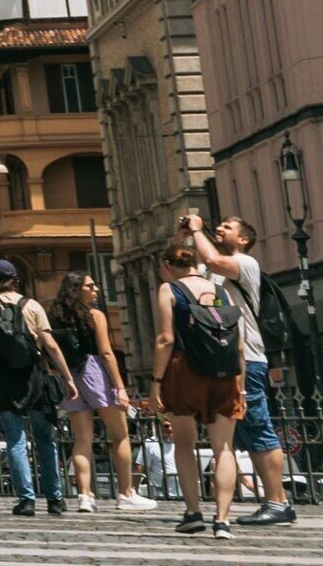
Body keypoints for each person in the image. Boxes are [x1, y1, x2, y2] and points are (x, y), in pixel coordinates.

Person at [149, 227, 246, 537]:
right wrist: (240, 385)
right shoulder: (222, 291)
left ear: (167, 266)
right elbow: (238, 344)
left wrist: (155, 382)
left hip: (184, 370)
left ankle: (193, 513)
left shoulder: (169, 290)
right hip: (224, 373)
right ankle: (223, 520)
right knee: (224, 448)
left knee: (184, 444)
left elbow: (165, 339)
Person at [206, 216, 298, 527]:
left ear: (244, 239)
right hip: (223, 357)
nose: (219, 228)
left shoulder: (244, 262)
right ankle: (267, 500)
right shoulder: (215, 268)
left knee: (258, 427)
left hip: (250, 359)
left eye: (227, 227)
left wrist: (196, 231)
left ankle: (278, 501)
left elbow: (212, 260)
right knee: (241, 432)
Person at [51, 266, 151, 511]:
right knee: (120, 435)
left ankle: (85, 496)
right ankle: (125, 494)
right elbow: (106, 353)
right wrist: (120, 387)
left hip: (70, 376)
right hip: (94, 371)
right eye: (90, 286)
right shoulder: (95, 315)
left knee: (81, 439)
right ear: (76, 290)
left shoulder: (55, 315)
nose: (95, 289)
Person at [0, 260, 70, 516]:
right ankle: (55, 498)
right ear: (16, 279)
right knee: (44, 438)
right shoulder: (32, 306)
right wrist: (67, 376)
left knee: (16, 440)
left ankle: (26, 500)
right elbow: (49, 343)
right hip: (34, 376)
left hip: (5, 377)